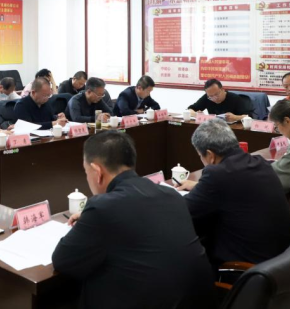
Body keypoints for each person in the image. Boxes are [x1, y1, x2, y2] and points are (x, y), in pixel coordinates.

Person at [52, 130, 216, 309]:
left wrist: (91, 219)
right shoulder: (171, 194)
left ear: (97, 171)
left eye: (86, 172)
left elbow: (63, 260)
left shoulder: (102, 207)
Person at [176, 119, 290, 268]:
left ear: (210, 155)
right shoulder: (260, 162)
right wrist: (198, 187)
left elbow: (184, 212)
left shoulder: (217, 174)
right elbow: (235, 189)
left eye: (200, 156)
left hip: (249, 268)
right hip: (283, 260)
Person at [188, 79, 252, 122]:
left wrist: (236, 118)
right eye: (211, 96)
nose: (214, 98)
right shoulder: (206, 98)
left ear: (222, 89)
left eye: (216, 94)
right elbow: (190, 109)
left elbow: (249, 117)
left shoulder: (235, 98)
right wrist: (196, 114)